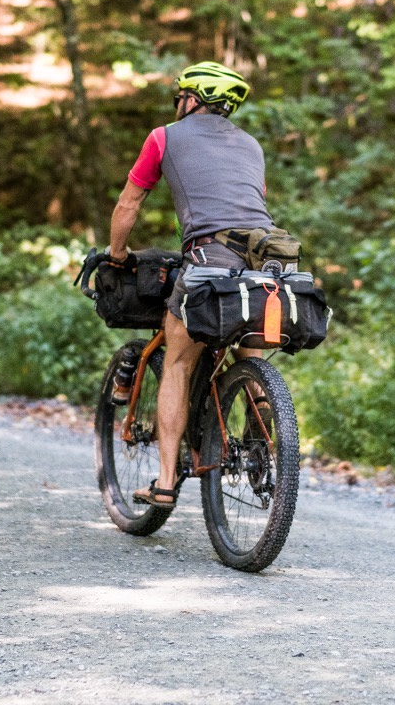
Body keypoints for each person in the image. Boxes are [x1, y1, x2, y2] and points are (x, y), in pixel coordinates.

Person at [107, 61, 275, 510]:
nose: (176, 103)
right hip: (268, 266)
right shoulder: (252, 145)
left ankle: (163, 483)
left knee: (179, 362)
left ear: (193, 98)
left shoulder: (164, 136)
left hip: (208, 260)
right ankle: (268, 454)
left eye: (179, 95)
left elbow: (130, 202)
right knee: (251, 351)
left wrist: (118, 254)